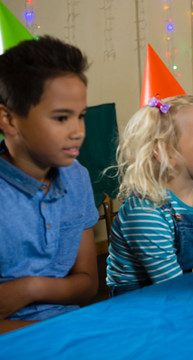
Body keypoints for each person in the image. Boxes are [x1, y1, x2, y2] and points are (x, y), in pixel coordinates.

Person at [0, 36, 99, 334]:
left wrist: (29, 288)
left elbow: (87, 284)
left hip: (67, 327)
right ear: (8, 119)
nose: (78, 131)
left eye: (80, 116)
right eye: (61, 118)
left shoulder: (77, 176)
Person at [106, 95, 193, 296]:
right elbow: (173, 288)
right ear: (166, 153)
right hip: (139, 308)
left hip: (188, 292)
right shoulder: (145, 212)